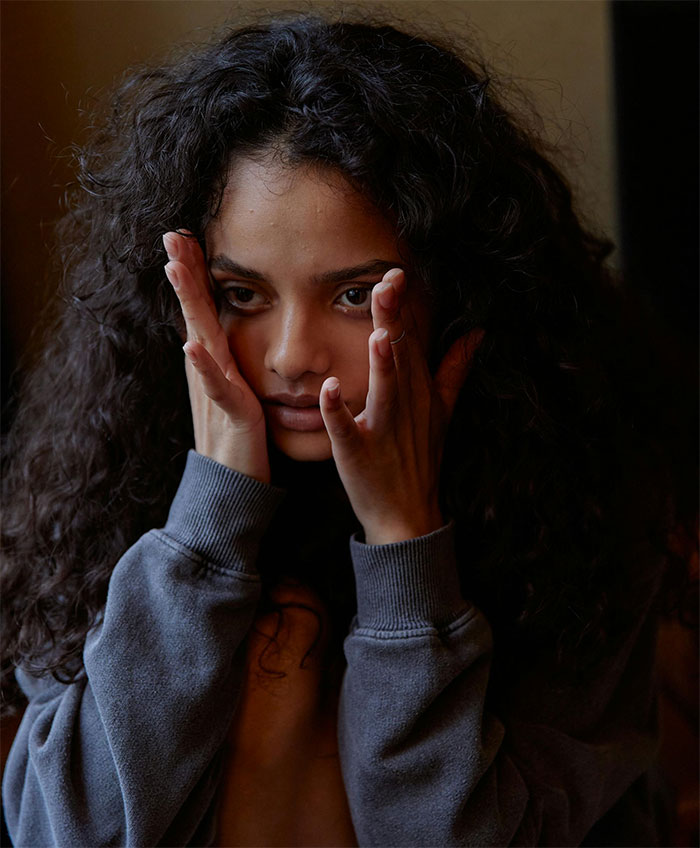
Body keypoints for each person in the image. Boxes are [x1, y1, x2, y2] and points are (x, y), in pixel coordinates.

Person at [1, 12, 695, 847]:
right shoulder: (103, 483)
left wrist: (406, 543)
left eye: (355, 295)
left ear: (462, 295)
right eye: (242, 295)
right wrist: (207, 524)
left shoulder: (585, 498)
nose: (292, 357)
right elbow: (66, 833)